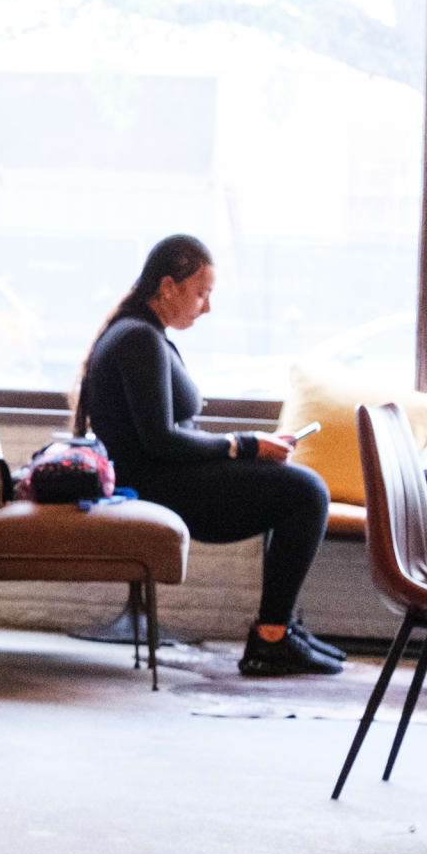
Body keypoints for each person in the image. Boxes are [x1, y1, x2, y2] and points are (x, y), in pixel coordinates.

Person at [74, 237, 347, 676]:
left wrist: (250, 447)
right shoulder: (138, 339)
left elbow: (171, 437)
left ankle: (279, 628)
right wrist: (245, 445)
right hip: (155, 488)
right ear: (168, 286)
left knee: (293, 484)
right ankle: (271, 638)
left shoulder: (142, 333)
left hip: (162, 478)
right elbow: (160, 440)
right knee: (307, 492)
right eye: (201, 293)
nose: (207, 308)